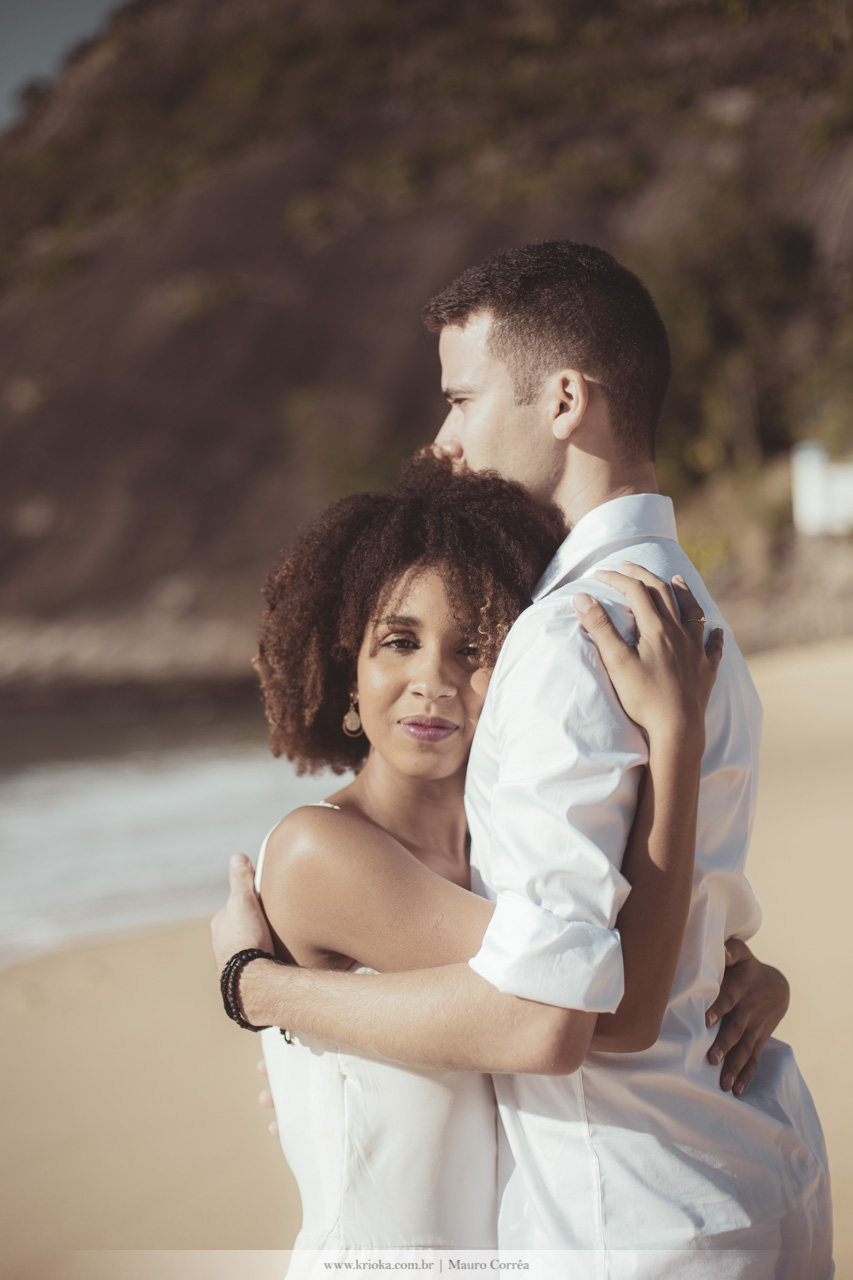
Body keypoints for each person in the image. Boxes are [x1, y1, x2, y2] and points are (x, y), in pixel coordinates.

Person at [213, 242, 832, 1276]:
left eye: (461, 399)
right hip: (747, 1162)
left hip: (633, 1209)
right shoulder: (685, 602)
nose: (443, 438)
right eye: (398, 642)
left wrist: (254, 987)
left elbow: (561, 1007)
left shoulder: (565, 635)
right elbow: (646, 955)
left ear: (561, 401)